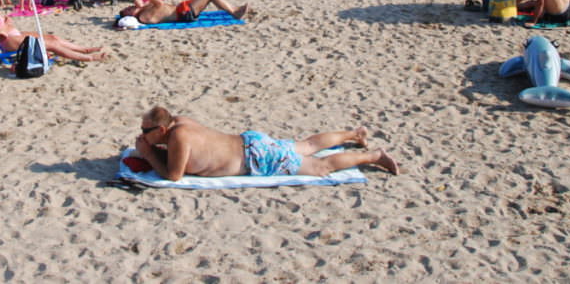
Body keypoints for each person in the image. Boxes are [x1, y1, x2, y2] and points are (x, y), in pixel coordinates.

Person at [132, 106, 399, 182]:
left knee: (321, 167)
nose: (143, 134)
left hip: (256, 160)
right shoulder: (181, 122)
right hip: (251, 141)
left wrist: (148, 154)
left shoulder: (178, 137)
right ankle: (353, 134)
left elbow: (174, 175)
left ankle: (373, 156)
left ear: (163, 129)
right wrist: (153, 146)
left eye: (147, 131)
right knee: (305, 145)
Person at [0, 0, 106, 63]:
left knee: (52, 37)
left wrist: (6, 21)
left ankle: (85, 50)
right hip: (10, 41)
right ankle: (90, 58)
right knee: (51, 45)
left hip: (16, 35)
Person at [119, 0, 248, 25]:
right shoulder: (144, 17)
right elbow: (159, 3)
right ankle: (234, 12)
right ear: (130, 17)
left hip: (183, 8)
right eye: (128, 10)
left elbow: (139, 3)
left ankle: (233, 9)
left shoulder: (142, 10)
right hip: (185, 14)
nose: (129, 7)